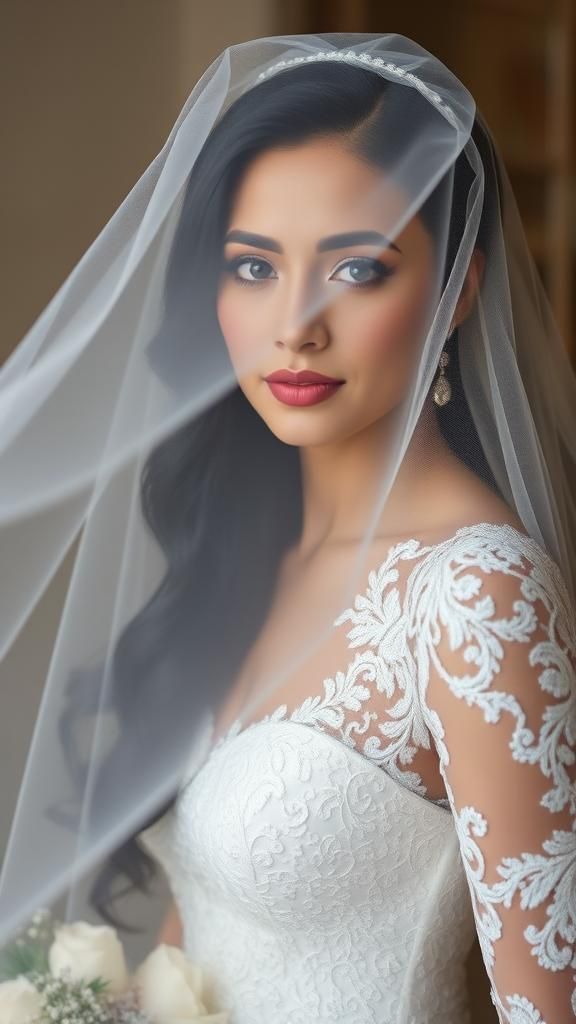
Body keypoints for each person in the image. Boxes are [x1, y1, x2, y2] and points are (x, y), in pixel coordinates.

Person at [0, 33, 575, 1024]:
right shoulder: (243, 553)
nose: (296, 323)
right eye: (254, 266)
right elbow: (215, 950)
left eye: (357, 270)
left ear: (455, 295)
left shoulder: (478, 595)